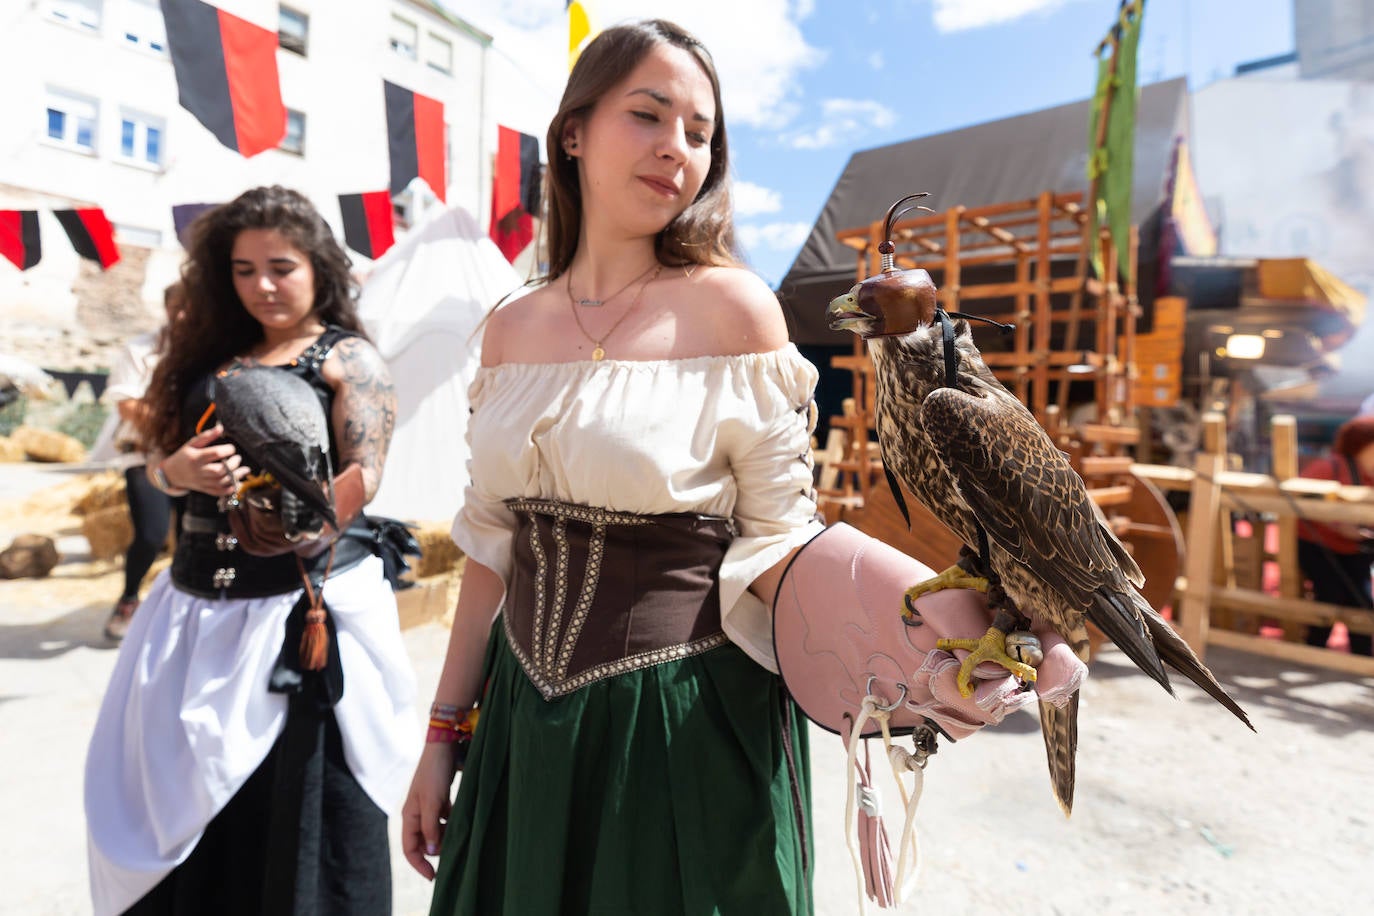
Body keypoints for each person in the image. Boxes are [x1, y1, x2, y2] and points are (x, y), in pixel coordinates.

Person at [401, 20, 1085, 915]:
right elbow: (491, 555)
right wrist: (444, 733)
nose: (676, 149)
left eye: (699, 132)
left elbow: (779, 540)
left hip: (687, 722)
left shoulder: (737, 312)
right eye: (648, 115)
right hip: (525, 727)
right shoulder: (510, 327)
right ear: (574, 131)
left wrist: (940, 625)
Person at [84, 186, 418, 915]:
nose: (261, 285)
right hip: (192, 614)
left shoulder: (348, 358)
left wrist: (301, 517)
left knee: (292, 822)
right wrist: (176, 473)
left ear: (319, 269)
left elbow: (366, 474)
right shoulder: (207, 352)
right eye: (243, 269)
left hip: (294, 621)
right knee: (191, 829)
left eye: (281, 267)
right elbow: (155, 462)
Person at [94, 282, 186, 641]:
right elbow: (127, 403)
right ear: (166, 307)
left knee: (191, 536)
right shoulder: (142, 349)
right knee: (150, 532)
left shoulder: (212, 351)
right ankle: (129, 598)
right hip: (145, 454)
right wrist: (175, 428)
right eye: (178, 306)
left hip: (192, 458)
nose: (184, 314)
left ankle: (179, 610)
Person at [1298, 414, 1374, 656]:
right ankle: (1314, 651)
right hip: (1319, 546)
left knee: (1362, 602)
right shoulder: (1329, 466)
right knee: (1329, 594)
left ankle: (1362, 657)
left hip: (1357, 550)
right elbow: (1300, 499)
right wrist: (1337, 524)